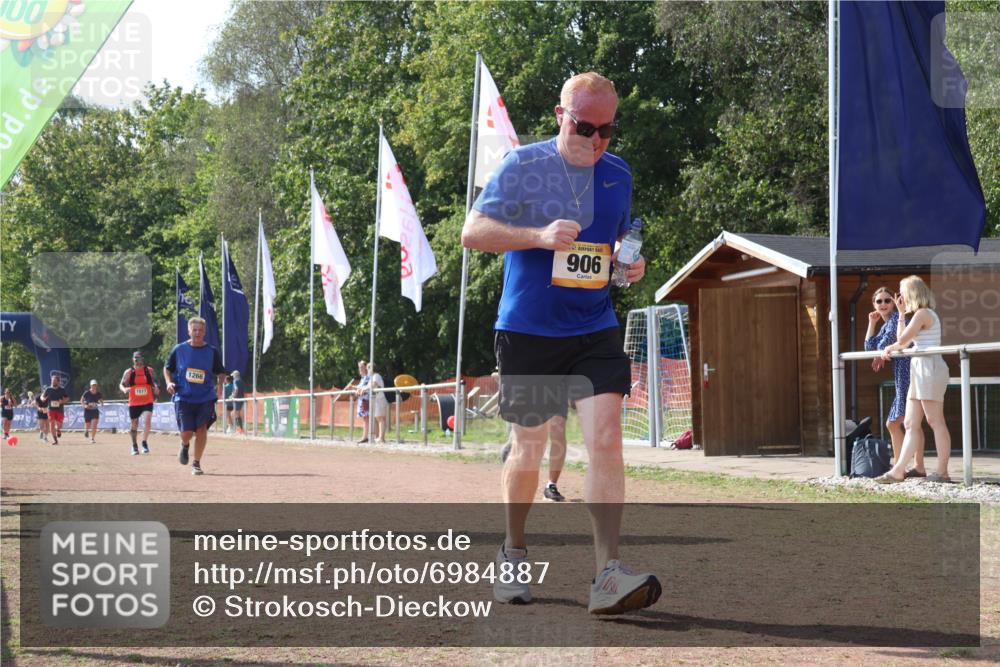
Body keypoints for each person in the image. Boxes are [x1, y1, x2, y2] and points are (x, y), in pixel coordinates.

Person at [462, 72, 660, 614]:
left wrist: (628, 262)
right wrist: (538, 235)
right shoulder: (523, 167)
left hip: (593, 327)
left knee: (606, 440)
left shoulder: (617, 174)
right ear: (560, 116)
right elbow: (473, 231)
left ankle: (607, 575)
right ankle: (513, 552)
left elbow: (614, 241)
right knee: (528, 448)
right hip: (528, 330)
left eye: (607, 130)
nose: (596, 140)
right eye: (584, 127)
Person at [877, 276, 952, 484]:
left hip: (930, 367)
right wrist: (901, 315)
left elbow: (902, 341)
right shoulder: (916, 315)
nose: (899, 296)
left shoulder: (923, 313)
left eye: (901, 292)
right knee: (910, 423)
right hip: (919, 368)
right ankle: (898, 470)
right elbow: (903, 340)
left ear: (912, 292)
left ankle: (942, 471)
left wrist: (890, 348)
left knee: (935, 420)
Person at [863, 287, 920, 475]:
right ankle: (909, 466)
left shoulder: (896, 319)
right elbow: (870, 347)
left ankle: (903, 466)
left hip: (908, 372)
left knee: (898, 423)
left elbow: (886, 344)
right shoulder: (886, 324)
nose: (883, 304)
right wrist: (871, 323)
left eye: (887, 300)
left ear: (894, 303)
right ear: (874, 304)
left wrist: (882, 352)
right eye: (879, 301)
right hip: (901, 374)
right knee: (908, 422)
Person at [164, 317, 226, 475]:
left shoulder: (212, 352)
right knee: (186, 433)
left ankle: (196, 463)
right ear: (189, 331)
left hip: (205, 397)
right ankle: (184, 445)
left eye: (200, 330)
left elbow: (220, 372)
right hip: (183, 397)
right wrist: (169, 383)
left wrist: (219, 389)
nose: (197, 333)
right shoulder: (179, 349)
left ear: (205, 332)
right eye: (195, 330)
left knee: (201, 429)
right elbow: (167, 368)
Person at [501, 402, 569, 502]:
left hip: (558, 389)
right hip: (528, 389)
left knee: (558, 432)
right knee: (526, 440)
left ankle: (551, 485)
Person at [120, 351, 160, 455]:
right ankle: (134, 446)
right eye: (136, 359)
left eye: (139, 358)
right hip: (134, 402)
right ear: (133, 360)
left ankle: (144, 442)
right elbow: (121, 384)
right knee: (134, 424)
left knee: (147, 421)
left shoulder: (149, 371)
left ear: (143, 359)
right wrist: (124, 389)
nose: (138, 361)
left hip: (147, 400)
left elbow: (156, 382)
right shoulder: (129, 372)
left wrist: (156, 388)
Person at [367, 361, 390, 444]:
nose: (367, 371)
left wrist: (364, 388)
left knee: (380, 418)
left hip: (380, 399)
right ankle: (378, 437)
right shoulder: (372, 377)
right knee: (378, 418)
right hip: (376, 400)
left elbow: (373, 384)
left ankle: (381, 438)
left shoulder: (376, 376)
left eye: (368, 369)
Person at [42, 374, 69, 445]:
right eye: (52, 380)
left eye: (54, 381)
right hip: (51, 410)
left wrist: (62, 401)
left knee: (59, 425)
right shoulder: (48, 389)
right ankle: (55, 440)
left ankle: (58, 429)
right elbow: (43, 396)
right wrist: (43, 399)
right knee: (52, 424)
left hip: (60, 410)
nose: (52, 382)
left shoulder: (62, 389)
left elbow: (67, 398)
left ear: (58, 382)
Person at [80, 380, 104, 444]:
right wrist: (84, 405)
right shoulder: (87, 393)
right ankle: (86, 431)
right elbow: (81, 400)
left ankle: (92, 438)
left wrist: (101, 403)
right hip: (88, 411)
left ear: (96, 386)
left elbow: (101, 400)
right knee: (88, 425)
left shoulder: (98, 393)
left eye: (95, 385)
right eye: (93, 385)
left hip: (95, 411)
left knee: (94, 425)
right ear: (90, 386)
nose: (94, 386)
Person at [355, 361, 371, 443]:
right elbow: (360, 387)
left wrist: (358, 389)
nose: (360, 369)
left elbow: (365, 387)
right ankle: (365, 436)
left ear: (365, 367)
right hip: (362, 400)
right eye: (359, 367)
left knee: (366, 418)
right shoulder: (363, 378)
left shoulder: (368, 377)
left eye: (361, 367)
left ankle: (365, 437)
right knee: (365, 418)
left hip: (366, 400)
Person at [230, 370, 245, 435]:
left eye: (233, 376)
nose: (233, 377)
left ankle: (239, 429)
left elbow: (236, 389)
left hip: (237, 399)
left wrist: (233, 396)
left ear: (235, 376)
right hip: (242, 399)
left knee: (236, 414)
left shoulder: (235, 381)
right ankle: (240, 429)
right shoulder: (242, 381)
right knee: (237, 414)